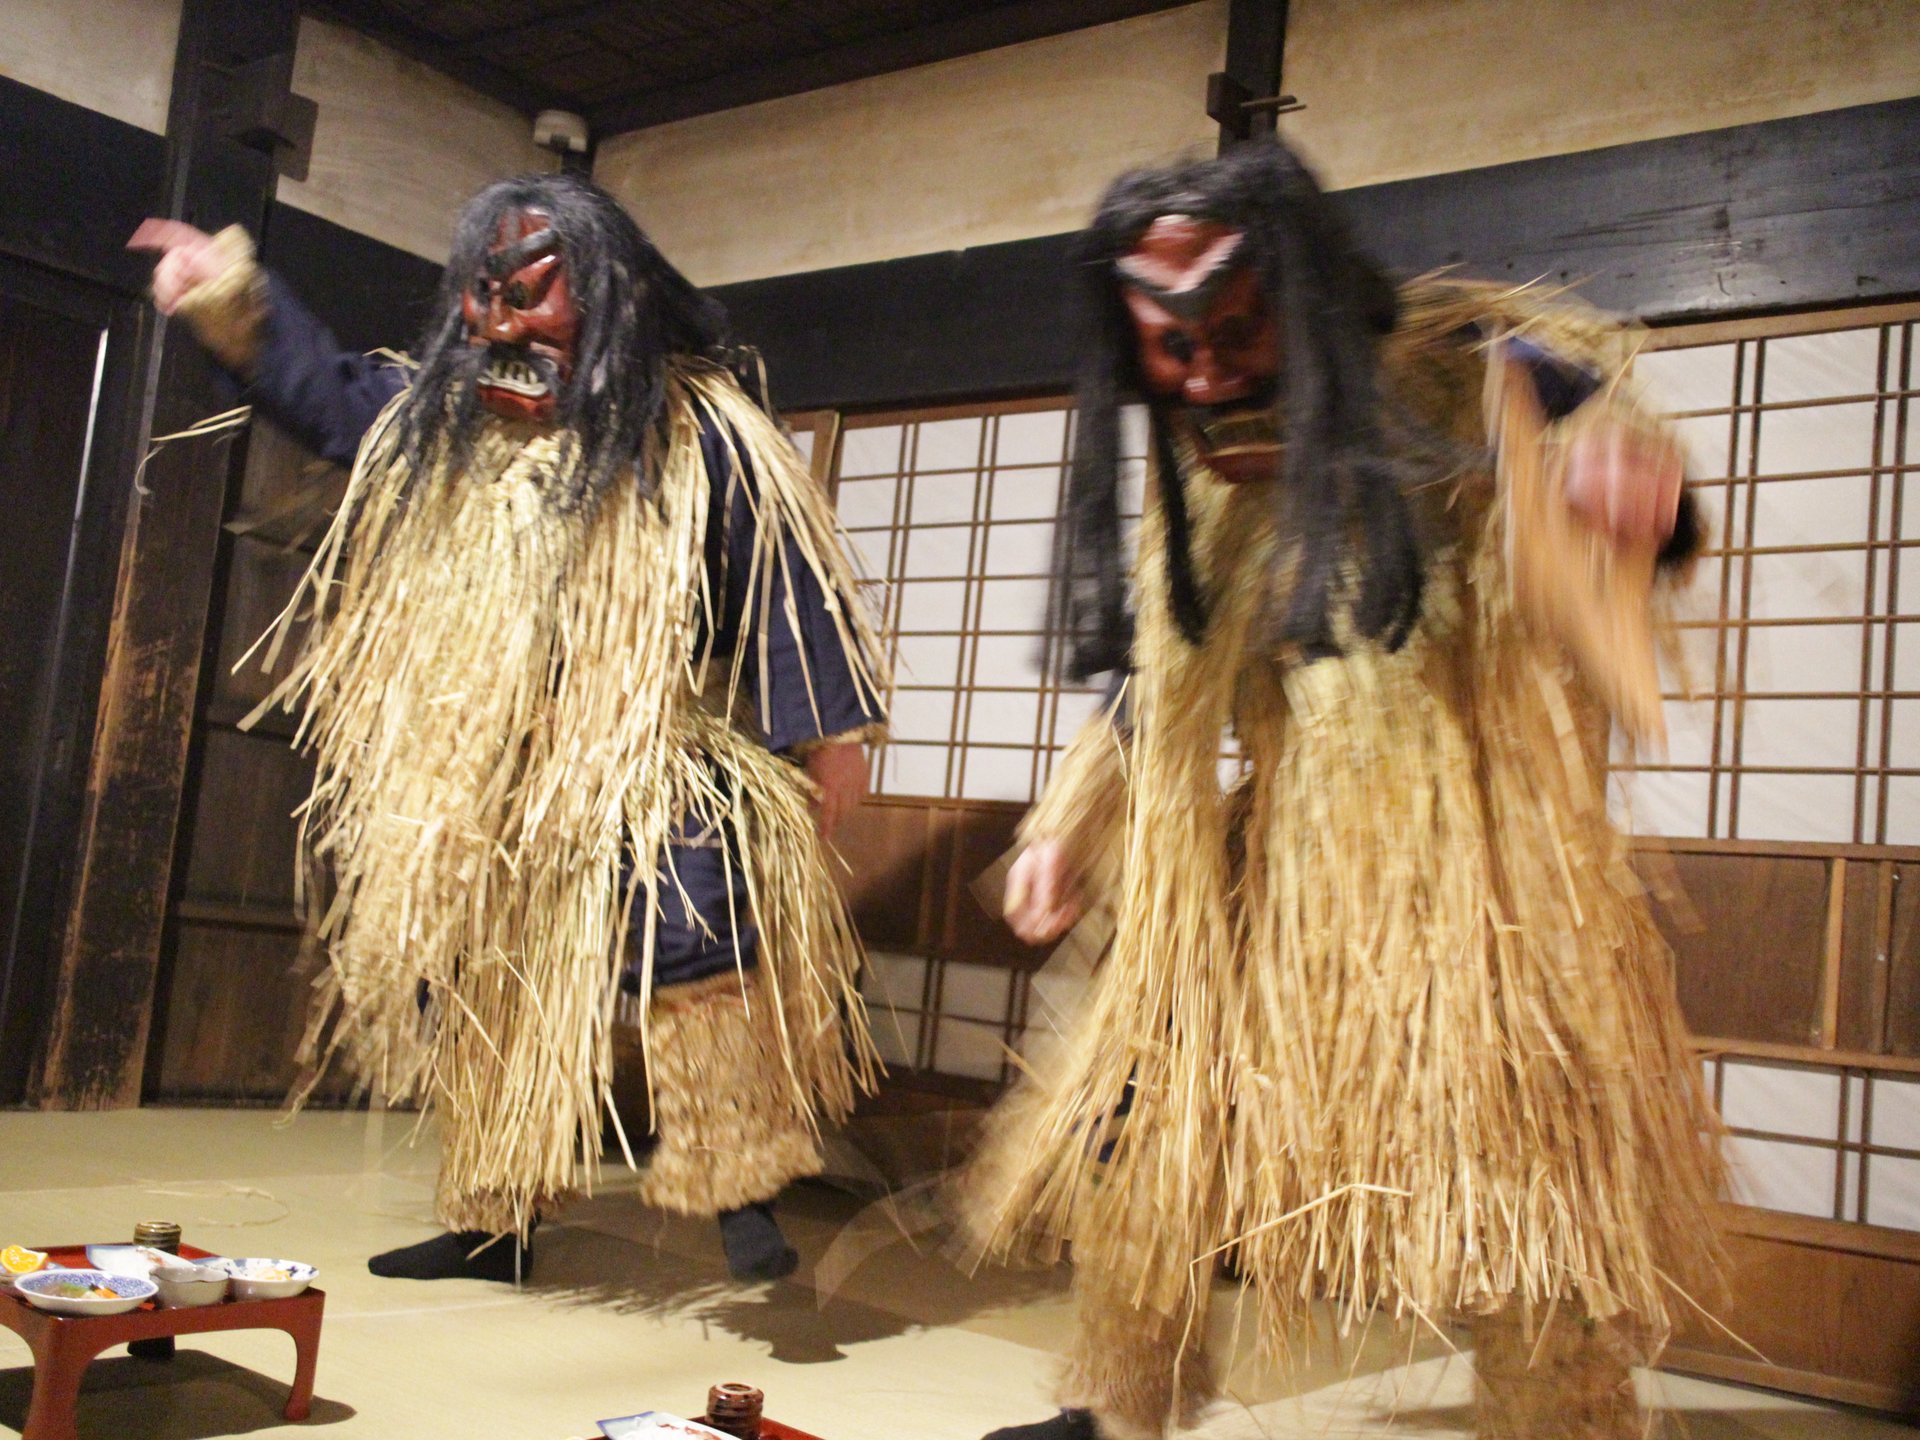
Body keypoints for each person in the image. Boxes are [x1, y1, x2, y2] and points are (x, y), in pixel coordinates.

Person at [964, 139, 1723, 1440]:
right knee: (1144, 1143)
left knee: (1532, 1199)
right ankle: (1116, 1407)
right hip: (1269, 875)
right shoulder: (1200, 473)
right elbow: (1160, 672)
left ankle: (1563, 1424)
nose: (1204, 372)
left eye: (1237, 328)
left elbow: (1620, 478)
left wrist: (1633, 508)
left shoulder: (1470, 375)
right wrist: (1069, 828)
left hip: (1479, 888)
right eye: (1168, 343)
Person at [130, 172, 888, 1284]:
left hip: (648, 745)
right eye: (482, 299)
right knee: (480, 970)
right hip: (478, 759)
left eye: (532, 297)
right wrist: (233, 301)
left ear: (611, 296)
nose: (499, 325)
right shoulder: (441, 421)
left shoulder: (703, 431)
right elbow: (330, 398)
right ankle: (493, 1216)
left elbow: (783, 578)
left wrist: (828, 731)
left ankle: (741, 1182)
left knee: (694, 928)